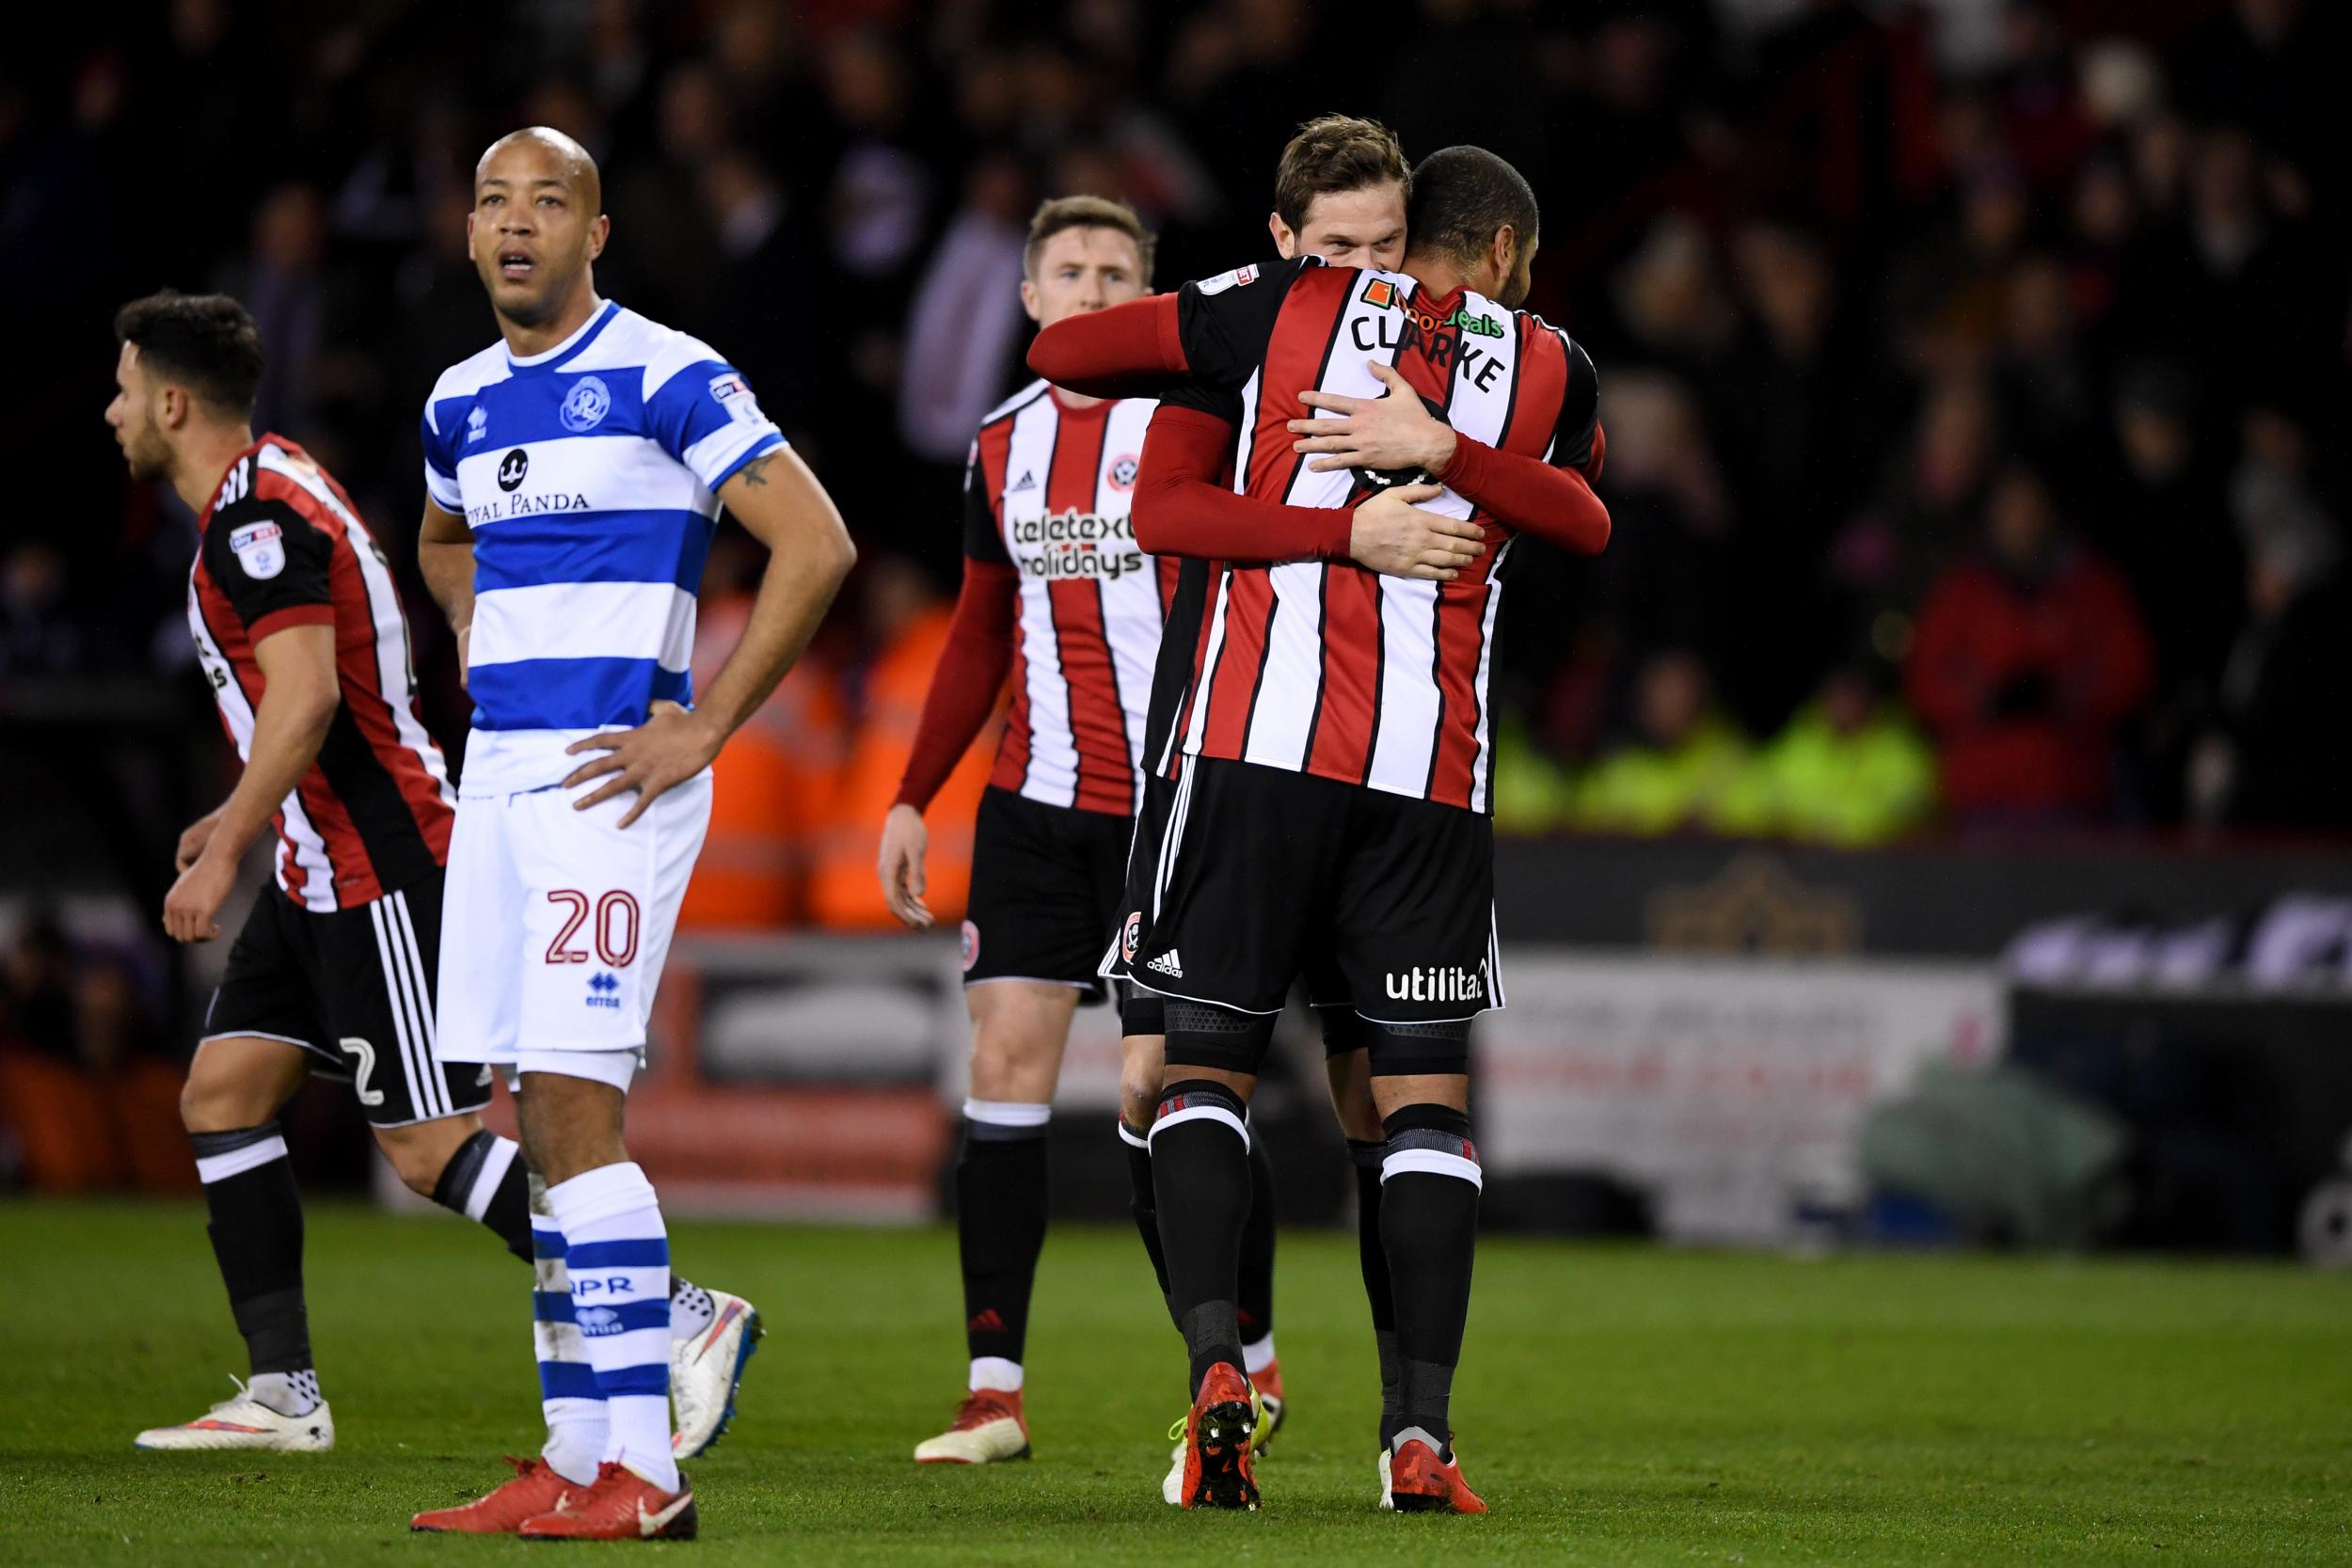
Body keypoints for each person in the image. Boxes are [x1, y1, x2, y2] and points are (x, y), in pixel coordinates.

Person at [1031, 144, 1609, 1513]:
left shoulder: (1276, 310)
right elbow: (1584, 521)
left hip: (1251, 755)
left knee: (1200, 1071)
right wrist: (1448, 455)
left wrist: (1208, 348)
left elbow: (1070, 354)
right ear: (1510, 255)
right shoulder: (1547, 362)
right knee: (1420, 1104)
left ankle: (1223, 1368)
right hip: (1428, 784)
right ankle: (1421, 1437)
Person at [405, 128, 854, 1542]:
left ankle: (647, 1478)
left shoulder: (670, 372)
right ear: (468, 235)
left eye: (550, 202)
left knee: (580, 1110)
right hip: (501, 783)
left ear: (598, 232)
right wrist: (471, 619)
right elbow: (439, 538)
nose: (517, 224)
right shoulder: (460, 399)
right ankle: (570, 1453)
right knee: (532, 1122)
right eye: (494, 202)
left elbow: (818, 543)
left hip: (616, 783)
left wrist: (703, 726)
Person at [874, 194, 1196, 1465]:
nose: (1095, 286)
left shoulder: (1193, 430)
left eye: (1119, 270)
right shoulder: (999, 443)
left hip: (1166, 812)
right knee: (1003, 1073)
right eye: (1071, 269)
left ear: (1150, 297)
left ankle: (1226, 1375)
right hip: (1031, 808)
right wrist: (913, 791)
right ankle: (993, 1392)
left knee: (1160, 1092)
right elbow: (974, 631)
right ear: (1029, 299)